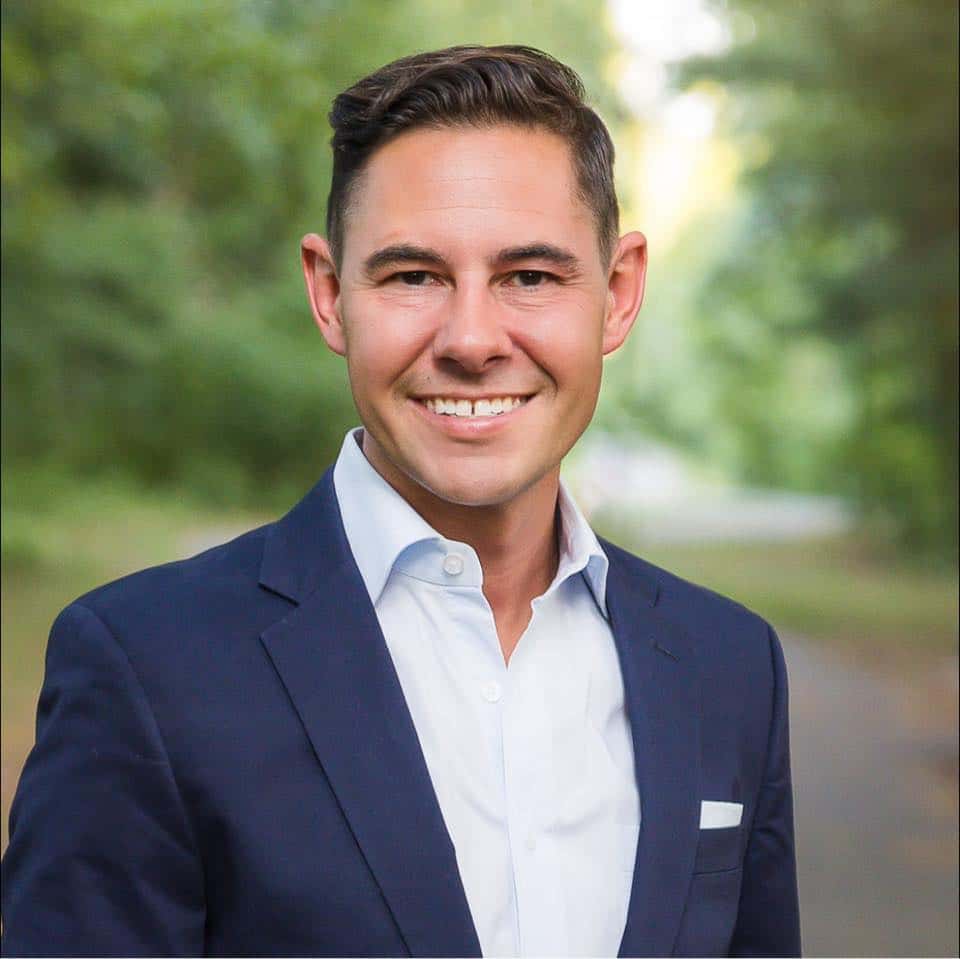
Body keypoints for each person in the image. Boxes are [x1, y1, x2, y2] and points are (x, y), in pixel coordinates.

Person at [0, 46, 800, 957]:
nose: (471, 340)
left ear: (617, 294)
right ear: (329, 294)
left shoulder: (731, 666)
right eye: (413, 275)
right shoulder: (144, 667)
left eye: (530, 277)